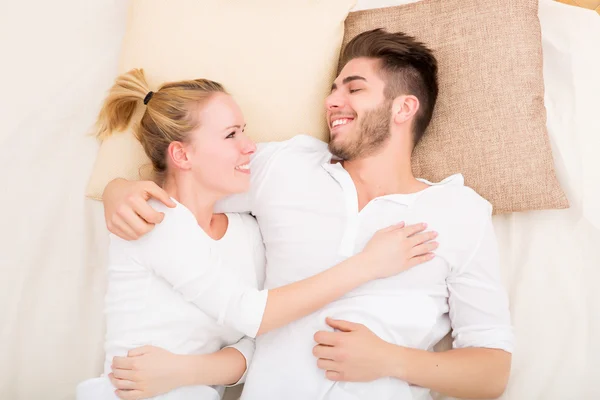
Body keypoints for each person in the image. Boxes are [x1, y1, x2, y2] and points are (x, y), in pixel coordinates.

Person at [103, 29, 513, 400]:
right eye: (333, 89)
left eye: (354, 89)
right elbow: (186, 172)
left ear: (403, 108)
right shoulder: (284, 167)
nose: (332, 101)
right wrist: (115, 192)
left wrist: (392, 361)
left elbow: (493, 373)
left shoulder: (460, 212)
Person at [77, 68, 436, 400]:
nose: (250, 146)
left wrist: (183, 371)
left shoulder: (247, 231)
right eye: (231, 135)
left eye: (244, 131)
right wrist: (368, 265)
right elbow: (252, 314)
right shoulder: (153, 221)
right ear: (181, 155)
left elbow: (259, 340)